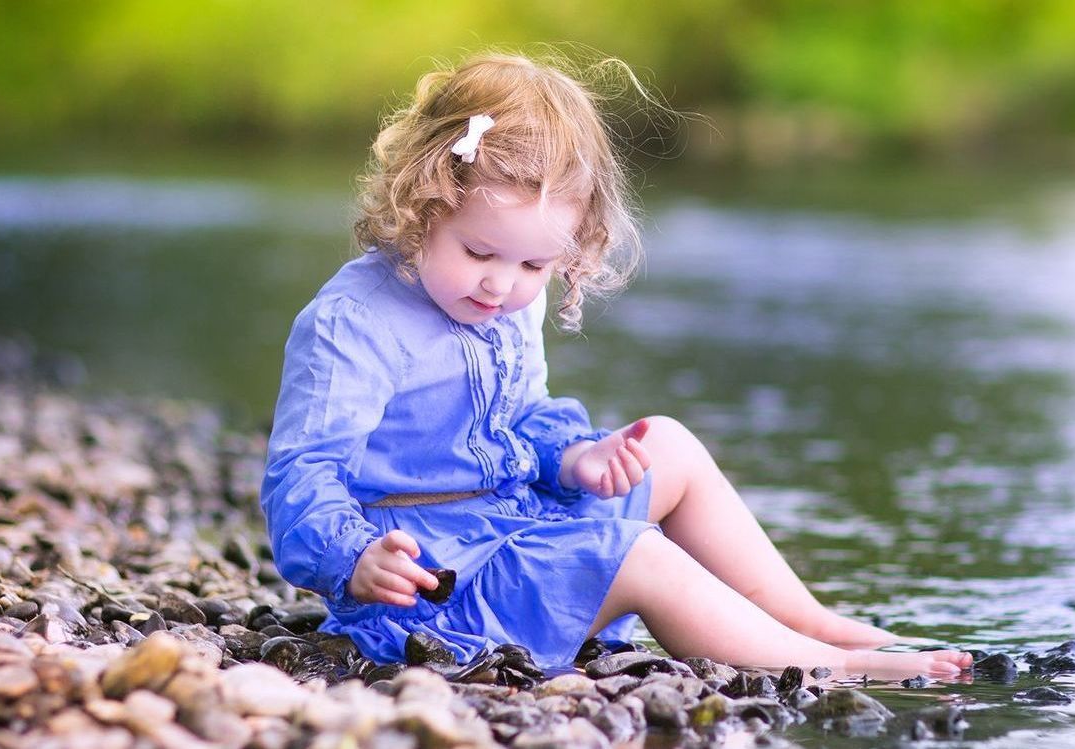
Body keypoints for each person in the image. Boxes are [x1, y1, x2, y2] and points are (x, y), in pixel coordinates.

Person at [260, 52, 972, 678]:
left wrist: (578, 460)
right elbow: (302, 475)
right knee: (640, 553)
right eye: (479, 252)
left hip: (515, 525)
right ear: (421, 205)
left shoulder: (506, 303)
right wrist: (356, 556)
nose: (501, 285)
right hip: (434, 591)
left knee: (667, 443)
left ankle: (806, 618)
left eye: (535, 263)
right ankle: (834, 665)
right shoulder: (354, 324)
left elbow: (522, 423)